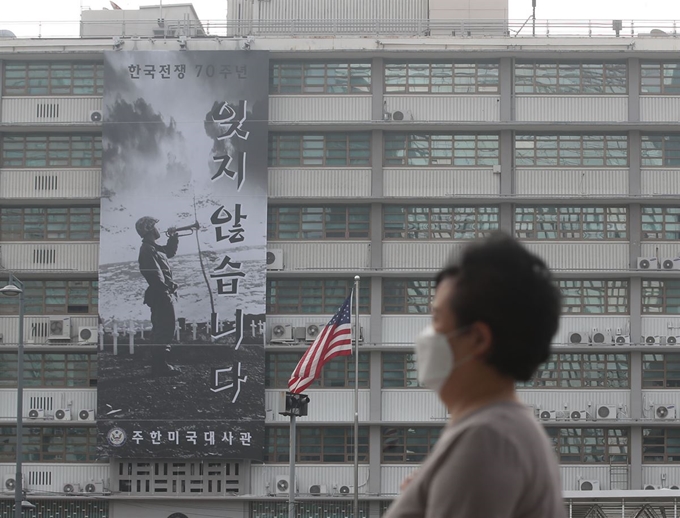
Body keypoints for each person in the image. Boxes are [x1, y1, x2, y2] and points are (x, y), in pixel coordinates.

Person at [384, 232, 566, 518]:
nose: (426, 335)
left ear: (478, 339)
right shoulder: (499, 428)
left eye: (437, 318)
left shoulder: (486, 439)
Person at [136, 216, 181, 376]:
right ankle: (160, 366)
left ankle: (159, 364)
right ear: (149, 229)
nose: (157, 229)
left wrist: (173, 237)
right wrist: (166, 290)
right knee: (165, 328)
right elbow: (155, 276)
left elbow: (169, 252)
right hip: (161, 294)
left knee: (164, 328)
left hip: (162, 293)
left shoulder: (152, 247)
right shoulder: (147, 250)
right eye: (154, 226)